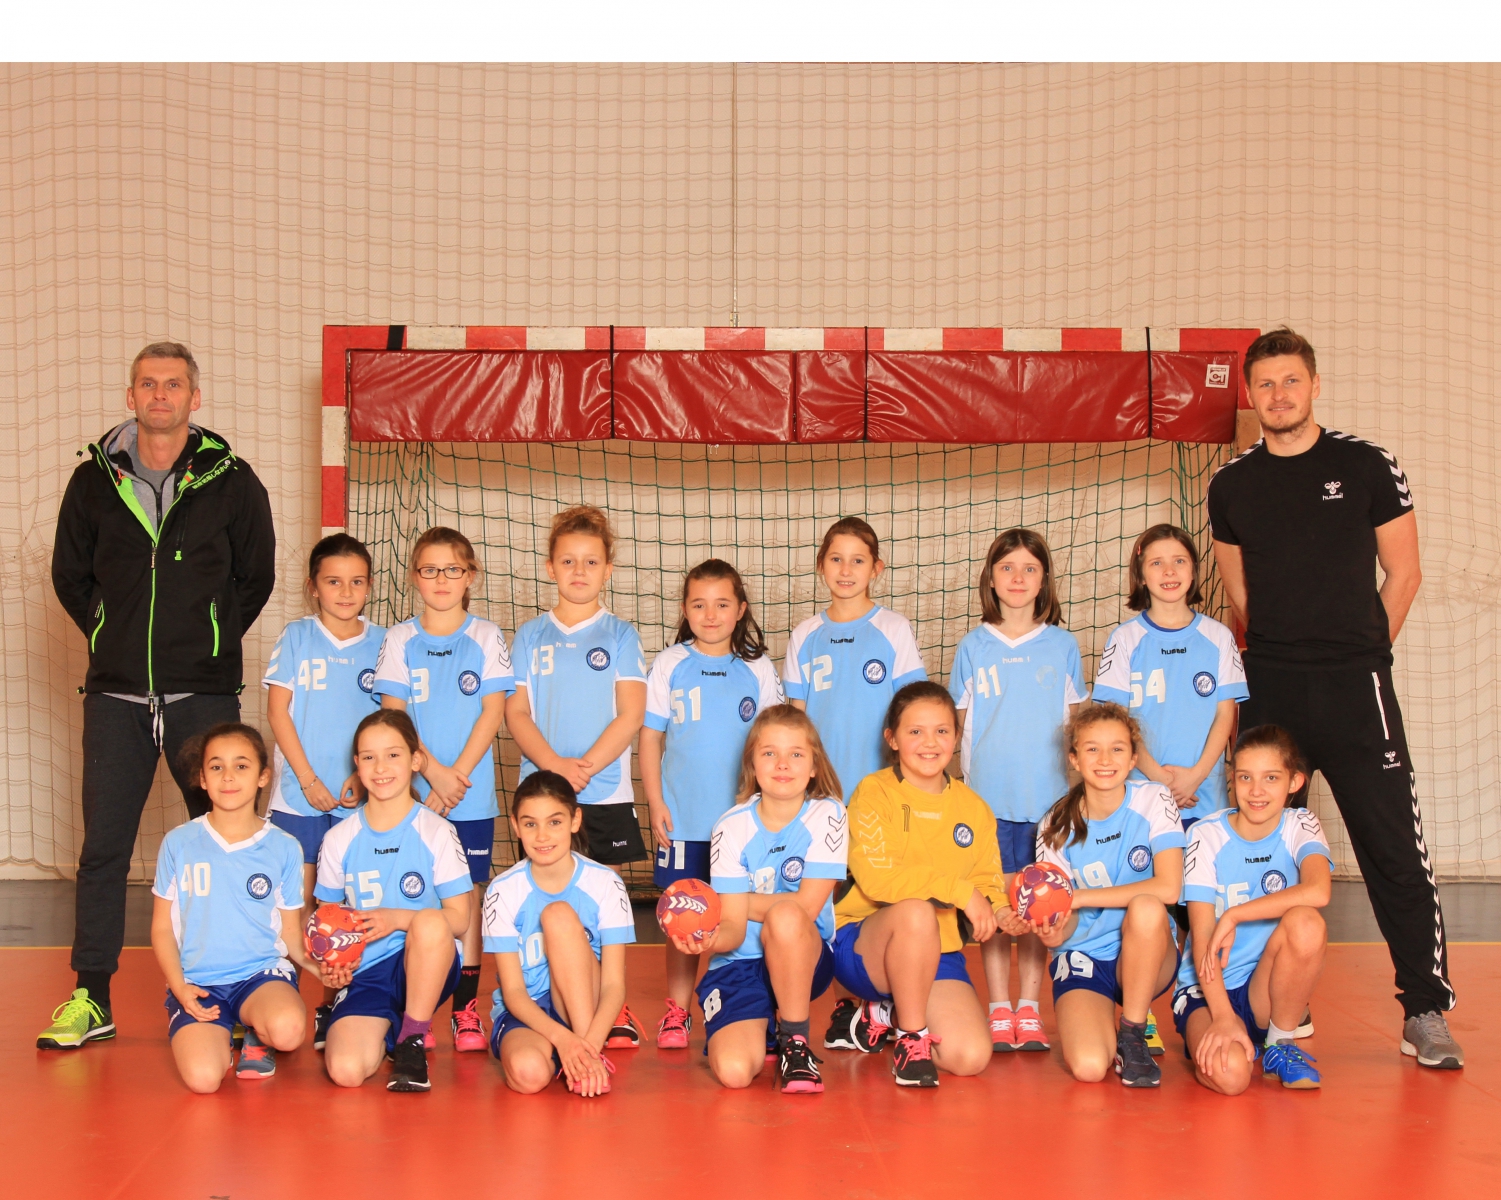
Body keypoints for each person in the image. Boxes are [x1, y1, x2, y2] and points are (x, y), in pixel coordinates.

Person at [1208, 327, 1460, 1068]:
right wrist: (1285, 652)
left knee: (1393, 850)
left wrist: (1360, 655)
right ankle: (1277, 996)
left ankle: (1424, 1010)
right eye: (1265, 384)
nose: (1278, 395)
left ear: (1314, 386)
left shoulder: (1366, 465)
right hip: (1272, 688)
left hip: (1356, 689)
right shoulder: (1231, 485)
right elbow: (1240, 594)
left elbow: (1404, 574)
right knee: (1256, 847)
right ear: (1249, 396)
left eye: (1291, 380)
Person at [42, 341, 276, 1050]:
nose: (161, 395)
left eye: (173, 385)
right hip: (115, 697)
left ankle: (240, 987)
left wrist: (209, 638)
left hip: (202, 695)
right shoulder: (93, 481)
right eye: (148, 384)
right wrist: (108, 630)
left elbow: (256, 577)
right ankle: (91, 997)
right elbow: (69, 575)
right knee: (103, 851)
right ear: (131, 395)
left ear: (193, 398)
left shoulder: (233, 481)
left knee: (228, 841)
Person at [507, 505, 647, 1046]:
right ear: (550, 567)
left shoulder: (620, 635)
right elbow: (516, 712)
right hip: (543, 793)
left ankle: (612, 1008)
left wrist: (583, 768)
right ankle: (550, 1004)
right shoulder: (529, 636)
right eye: (568, 561)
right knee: (545, 901)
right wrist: (555, 766)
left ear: (608, 569)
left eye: (591, 561)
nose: (579, 571)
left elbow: (630, 713)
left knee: (599, 906)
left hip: (602, 790)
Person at [371, 526, 513, 1052]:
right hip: (412, 794)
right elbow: (394, 715)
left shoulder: (487, 636)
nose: (441, 579)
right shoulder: (399, 639)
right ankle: (413, 1009)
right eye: (430, 570)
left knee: (466, 897)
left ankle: (466, 1011)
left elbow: (493, 712)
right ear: (414, 577)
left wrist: (456, 778)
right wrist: (432, 772)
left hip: (468, 793)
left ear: (470, 576)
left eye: (453, 569)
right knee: (411, 893)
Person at [825, 681, 1005, 1088]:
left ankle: (881, 1015)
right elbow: (879, 879)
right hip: (864, 946)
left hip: (936, 951)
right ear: (892, 739)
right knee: (916, 911)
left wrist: (1003, 911)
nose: (930, 742)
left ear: (956, 738)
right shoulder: (873, 793)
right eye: (915, 731)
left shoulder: (974, 808)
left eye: (941, 730)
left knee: (970, 1057)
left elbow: (986, 882)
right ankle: (910, 1038)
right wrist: (961, 893)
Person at [948, 528, 1085, 1053]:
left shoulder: (1062, 645)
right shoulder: (973, 645)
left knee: (1038, 907)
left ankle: (1029, 1006)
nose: (1018, 578)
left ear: (1044, 579)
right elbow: (958, 726)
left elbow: (1075, 724)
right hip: (988, 804)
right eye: (1007, 568)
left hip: (1047, 806)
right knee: (997, 908)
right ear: (990, 579)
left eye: (1030, 568)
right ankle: (998, 1006)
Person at [641, 560, 784, 1048]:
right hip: (684, 820)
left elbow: (775, 738)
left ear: (740, 610)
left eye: (722, 604)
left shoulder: (757, 668)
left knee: (745, 918)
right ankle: (677, 1011)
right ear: (685, 610)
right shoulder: (669, 663)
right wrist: (655, 801)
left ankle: (761, 1008)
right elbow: (651, 737)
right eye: (699, 604)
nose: (710, 614)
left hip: (745, 826)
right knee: (681, 919)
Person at [684, 706, 847, 1093]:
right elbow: (733, 928)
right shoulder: (730, 827)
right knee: (735, 1072)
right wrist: (708, 939)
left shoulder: (828, 814)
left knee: (788, 916)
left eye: (796, 754)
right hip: (741, 962)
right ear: (752, 764)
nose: (782, 764)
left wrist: (738, 900)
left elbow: (805, 908)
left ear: (814, 766)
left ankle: (794, 1041)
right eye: (769, 753)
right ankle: (763, 1028)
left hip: (804, 960)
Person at [263, 533, 382, 1049]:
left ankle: (336, 1001)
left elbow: (389, 721)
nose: (345, 592)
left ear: (369, 586)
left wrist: (362, 776)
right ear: (314, 587)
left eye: (356, 582)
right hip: (299, 796)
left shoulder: (384, 643)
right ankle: (279, 995)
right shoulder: (297, 637)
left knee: (344, 908)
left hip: (359, 798)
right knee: (295, 903)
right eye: (334, 582)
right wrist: (308, 779)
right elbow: (278, 713)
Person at [1031, 703, 1185, 1088]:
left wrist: (1081, 897)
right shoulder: (1055, 825)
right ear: (1074, 758)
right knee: (1089, 1067)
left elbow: (1169, 887)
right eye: (1092, 749)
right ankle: (1107, 1036)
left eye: (1117, 749)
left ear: (1133, 758)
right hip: (1085, 952)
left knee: (1147, 907)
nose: (1105, 760)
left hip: (1147, 949)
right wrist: (1054, 932)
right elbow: (1064, 919)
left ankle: (1133, 1032)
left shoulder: (1154, 799)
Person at [317, 710, 472, 1092]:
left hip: (425, 962)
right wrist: (334, 965)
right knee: (346, 1071)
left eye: (393, 755)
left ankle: (412, 1040)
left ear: (416, 760)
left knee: (431, 920)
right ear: (357, 764)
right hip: (367, 970)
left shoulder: (437, 831)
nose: (380, 767)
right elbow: (326, 920)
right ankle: (389, 1028)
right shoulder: (338, 839)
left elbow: (459, 919)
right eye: (369, 757)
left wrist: (396, 918)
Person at [1172, 725, 1331, 1093]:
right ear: (1232, 780)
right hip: (1207, 989)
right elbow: (1203, 939)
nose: (1256, 791)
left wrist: (1235, 914)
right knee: (1230, 1078)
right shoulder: (1206, 835)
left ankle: (1279, 1044)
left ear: (1294, 782)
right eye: (1245, 777)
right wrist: (1223, 1016)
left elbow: (1318, 890)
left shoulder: (1301, 825)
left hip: (1264, 988)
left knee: (1307, 922)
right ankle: (1222, 1035)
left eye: (1271, 778)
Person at [150, 724, 307, 1092]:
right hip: (199, 983)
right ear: (202, 779)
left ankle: (258, 1033)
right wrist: (181, 988)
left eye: (241, 766)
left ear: (263, 776)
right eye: (217, 767)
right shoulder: (179, 843)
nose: (228, 776)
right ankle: (220, 1038)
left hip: (259, 975)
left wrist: (320, 967)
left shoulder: (284, 846)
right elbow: (161, 928)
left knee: (287, 1031)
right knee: (204, 1079)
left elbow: (290, 932)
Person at [483, 771, 634, 1097]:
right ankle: (562, 1054)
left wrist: (589, 1044)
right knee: (529, 1075)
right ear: (515, 826)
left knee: (558, 915)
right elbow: (513, 992)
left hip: (582, 1006)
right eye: (530, 824)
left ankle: (587, 1059)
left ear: (575, 820)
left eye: (554, 822)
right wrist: (563, 1041)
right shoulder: (502, 891)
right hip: (529, 1010)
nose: (542, 836)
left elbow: (613, 985)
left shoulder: (605, 883)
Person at [1094, 525, 1247, 826]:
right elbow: (1116, 723)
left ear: (1194, 570)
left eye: (1179, 561)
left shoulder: (1218, 637)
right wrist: (1160, 779)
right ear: (1140, 575)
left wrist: (1195, 777)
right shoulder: (1124, 640)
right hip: (1141, 797)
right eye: (1156, 563)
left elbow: (1225, 716)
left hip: (1203, 796)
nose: (1169, 571)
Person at [784, 517, 927, 803]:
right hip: (819, 790)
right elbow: (796, 722)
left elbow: (913, 711)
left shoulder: (894, 628)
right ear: (821, 564)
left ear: (876, 569)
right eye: (836, 559)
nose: (846, 570)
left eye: (858, 561)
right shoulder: (803, 635)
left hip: (883, 790)